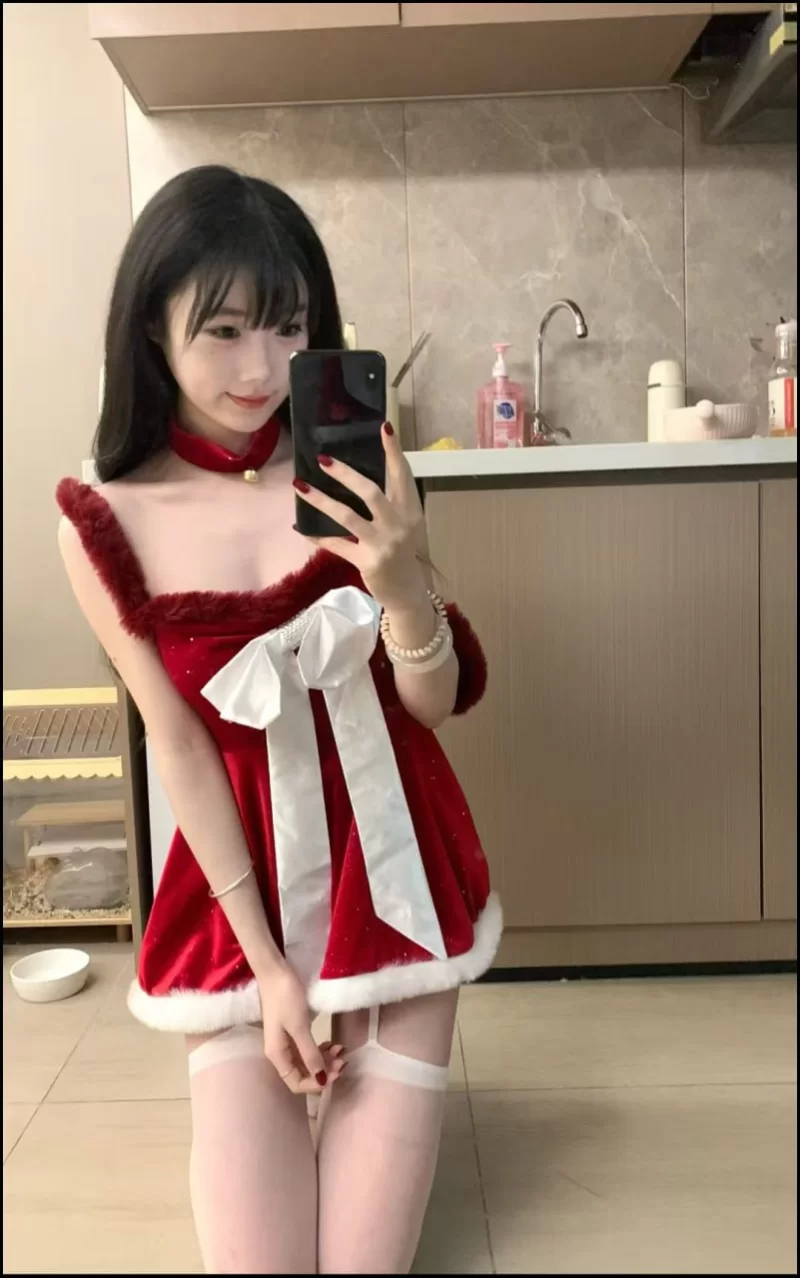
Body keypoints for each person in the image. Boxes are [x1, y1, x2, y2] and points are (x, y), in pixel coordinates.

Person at [56, 165, 502, 1274]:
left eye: (289, 326)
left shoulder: (362, 472)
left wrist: (401, 582)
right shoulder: (104, 517)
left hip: (391, 880)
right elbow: (179, 744)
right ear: (150, 330)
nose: (260, 369)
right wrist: (268, 969)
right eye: (223, 330)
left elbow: (430, 705)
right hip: (237, 903)